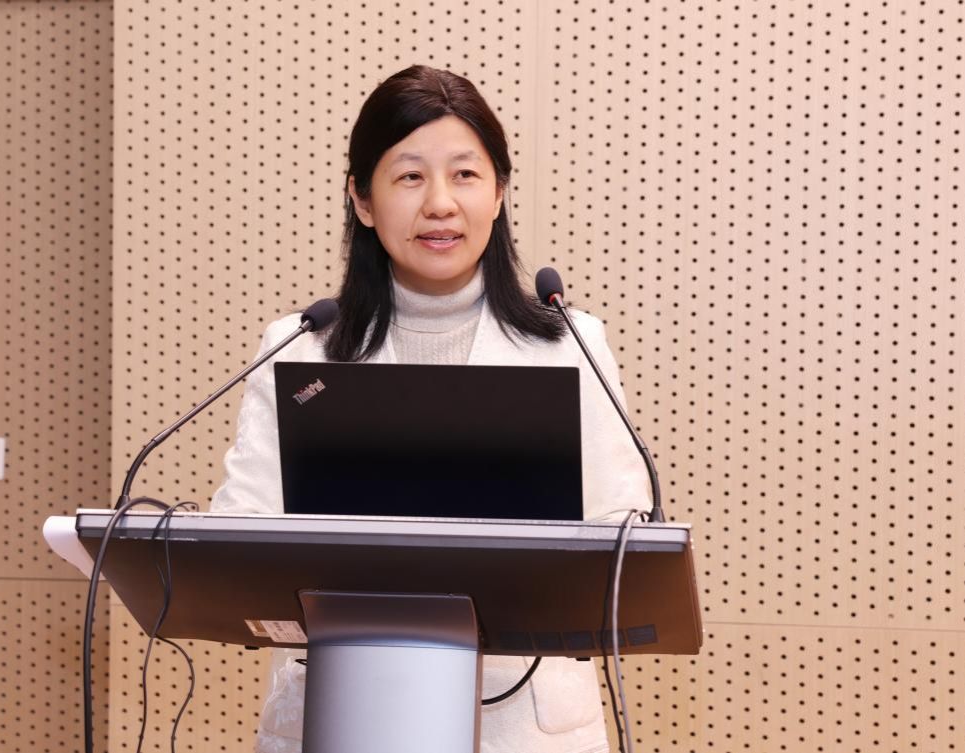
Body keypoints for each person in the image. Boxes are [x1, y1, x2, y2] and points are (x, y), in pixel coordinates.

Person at [211, 65, 651, 753]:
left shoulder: (572, 344)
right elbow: (243, 532)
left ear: (499, 193)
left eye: (465, 175)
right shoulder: (301, 347)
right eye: (410, 176)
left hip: (523, 725)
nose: (441, 204)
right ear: (362, 200)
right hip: (339, 709)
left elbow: (621, 535)